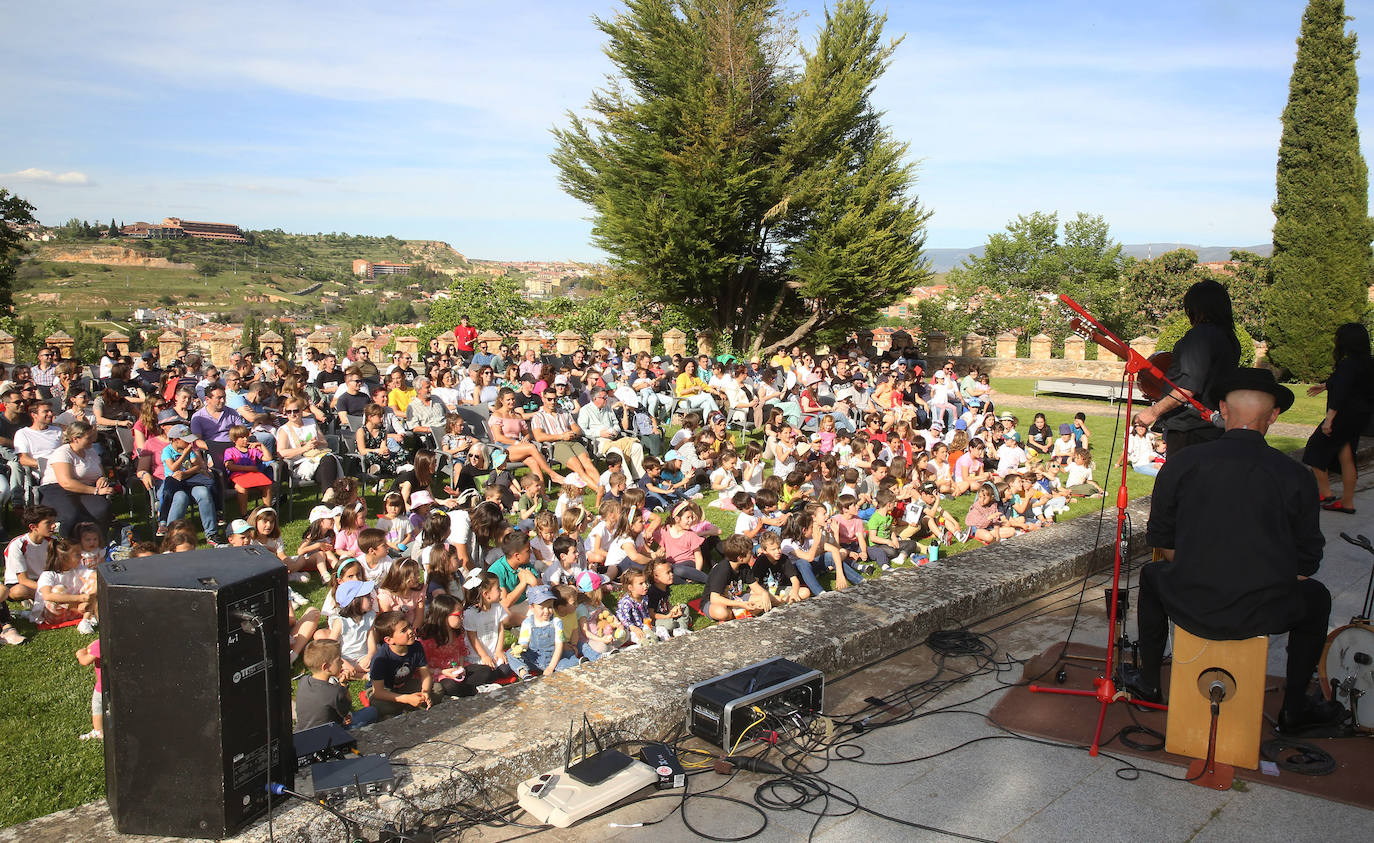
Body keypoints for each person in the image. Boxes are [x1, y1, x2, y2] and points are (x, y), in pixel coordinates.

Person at [1131, 367, 1347, 734]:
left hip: (1191, 602)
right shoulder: (1295, 475)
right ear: (1274, 416)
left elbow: (1163, 543)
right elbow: (1306, 562)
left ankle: (1150, 683)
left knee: (1152, 576)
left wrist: (1203, 575)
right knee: (1317, 598)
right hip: (1264, 610)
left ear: (1222, 411)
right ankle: (1295, 707)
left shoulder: (1182, 463)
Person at [1133, 279, 1239, 454]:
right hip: (1215, 425)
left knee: (1181, 479)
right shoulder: (1229, 338)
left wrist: (1153, 412)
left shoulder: (1200, 336)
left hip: (1190, 429)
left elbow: (1186, 389)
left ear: (1195, 309)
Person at [1302, 323, 1374, 514]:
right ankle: (1347, 502)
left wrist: (1329, 420)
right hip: (1360, 417)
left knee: (1314, 449)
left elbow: (1342, 392)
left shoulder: (1348, 363)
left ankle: (1326, 493)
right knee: (1347, 456)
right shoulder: (1368, 362)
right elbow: (1351, 383)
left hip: (1343, 416)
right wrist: (1325, 385)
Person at [38, 421, 113, 538]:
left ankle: (96, 542)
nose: (92, 440)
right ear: (75, 439)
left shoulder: (91, 452)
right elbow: (66, 482)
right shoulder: (63, 453)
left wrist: (102, 479)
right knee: (72, 515)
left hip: (85, 488)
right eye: (88, 438)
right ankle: (66, 543)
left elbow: (100, 473)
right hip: (57, 489)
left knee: (102, 509)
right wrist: (95, 491)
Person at [296, 639, 379, 730]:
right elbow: (346, 713)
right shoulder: (334, 692)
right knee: (371, 711)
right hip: (330, 735)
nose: (342, 663)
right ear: (326, 667)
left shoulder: (303, 681)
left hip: (303, 732)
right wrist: (343, 684)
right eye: (339, 660)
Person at [368, 611, 437, 719]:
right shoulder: (380, 659)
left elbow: (426, 675)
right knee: (381, 706)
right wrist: (406, 698)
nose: (410, 631)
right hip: (385, 691)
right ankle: (408, 705)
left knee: (437, 689)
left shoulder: (416, 646)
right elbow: (378, 692)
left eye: (409, 626)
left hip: (405, 685)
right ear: (389, 640)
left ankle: (409, 705)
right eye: (403, 630)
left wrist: (425, 692)